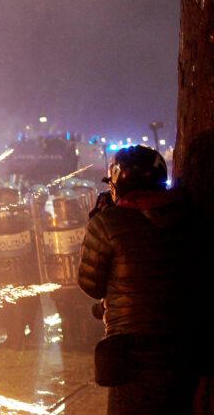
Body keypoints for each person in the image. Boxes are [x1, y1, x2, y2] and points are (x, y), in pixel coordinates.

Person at [78, 145, 201, 414]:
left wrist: (98, 221)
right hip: (185, 349)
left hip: (131, 355)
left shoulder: (106, 223)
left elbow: (90, 284)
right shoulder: (189, 217)